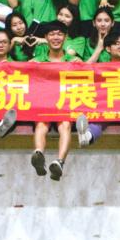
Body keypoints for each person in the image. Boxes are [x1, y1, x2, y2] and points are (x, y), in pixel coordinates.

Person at [29, 22, 82, 180]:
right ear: (46, 37)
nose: (56, 37)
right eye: (52, 34)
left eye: (59, 34)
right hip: (44, 104)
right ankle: (39, 154)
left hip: (64, 104)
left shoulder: (74, 61)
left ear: (65, 37)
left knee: (65, 125)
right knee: (41, 124)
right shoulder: (36, 61)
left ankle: (59, 162)